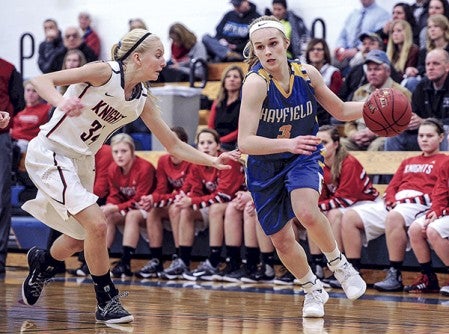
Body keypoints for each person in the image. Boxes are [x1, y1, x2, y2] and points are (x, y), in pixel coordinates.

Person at [20, 28, 239, 324]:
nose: (164, 62)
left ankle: (42, 262)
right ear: (137, 57)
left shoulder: (142, 99)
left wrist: (213, 159)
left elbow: (173, 144)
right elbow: (41, 79)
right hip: (52, 152)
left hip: (81, 161)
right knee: (98, 224)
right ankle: (107, 300)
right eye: (158, 55)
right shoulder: (103, 72)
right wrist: (60, 103)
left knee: (78, 237)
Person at [238, 16, 367, 318]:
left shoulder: (307, 74)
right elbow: (245, 142)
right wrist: (288, 143)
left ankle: (340, 266)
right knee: (282, 240)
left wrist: (378, 104)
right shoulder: (256, 84)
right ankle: (312, 289)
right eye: (260, 47)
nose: (268, 52)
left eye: (273, 44)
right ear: (254, 51)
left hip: (303, 155)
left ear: (285, 43)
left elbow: (341, 110)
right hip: (265, 165)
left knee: (306, 211)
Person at [341, 119, 447, 292]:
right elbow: (393, 186)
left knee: (394, 217)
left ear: (441, 137)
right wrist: (390, 199)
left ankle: (395, 274)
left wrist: (408, 202)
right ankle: (353, 273)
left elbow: (441, 191)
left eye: (429, 135)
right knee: (350, 216)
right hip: (396, 203)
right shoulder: (408, 161)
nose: (424, 139)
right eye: (421, 136)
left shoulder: (444, 160)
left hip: (418, 204)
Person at [161, 128, 245, 280]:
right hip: (213, 203)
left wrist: (192, 201)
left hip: (236, 202)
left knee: (215, 208)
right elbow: (194, 189)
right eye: (201, 143)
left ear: (218, 145)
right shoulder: (197, 163)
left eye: (209, 142)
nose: (205, 146)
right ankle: (182, 260)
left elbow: (223, 196)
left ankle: (213, 261)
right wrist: (185, 199)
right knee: (185, 210)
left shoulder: (227, 162)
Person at [308, 125, 379, 287]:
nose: (320, 147)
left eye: (324, 142)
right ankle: (318, 265)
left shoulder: (349, 162)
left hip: (366, 203)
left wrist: (320, 207)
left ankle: (341, 269)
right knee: (316, 215)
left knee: (332, 214)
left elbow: (346, 198)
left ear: (336, 143)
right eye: (317, 143)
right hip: (344, 203)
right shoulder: (318, 163)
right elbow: (323, 197)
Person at [135, 127, 192, 279]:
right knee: (153, 210)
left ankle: (180, 258)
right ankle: (156, 260)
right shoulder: (163, 160)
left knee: (175, 208)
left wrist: (157, 198)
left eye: (172, 140)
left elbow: (186, 191)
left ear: (183, 143)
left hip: (191, 201)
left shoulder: (191, 160)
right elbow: (161, 189)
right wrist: (151, 199)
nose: (169, 144)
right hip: (176, 201)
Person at [101, 133, 156, 278]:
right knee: (108, 216)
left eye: (124, 151)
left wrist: (115, 208)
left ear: (132, 151)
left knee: (131, 215)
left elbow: (139, 199)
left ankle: (125, 263)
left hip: (149, 208)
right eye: (116, 152)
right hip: (127, 207)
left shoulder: (145, 168)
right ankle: (99, 262)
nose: (119, 156)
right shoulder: (113, 168)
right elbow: (114, 195)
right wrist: (110, 207)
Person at [342, 49, 411, 151]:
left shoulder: (401, 92)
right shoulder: (360, 92)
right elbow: (349, 122)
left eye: (377, 69)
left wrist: (374, 133)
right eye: (369, 69)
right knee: (340, 144)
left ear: (388, 71)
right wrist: (354, 135)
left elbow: (404, 123)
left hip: (384, 136)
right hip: (358, 137)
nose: (372, 73)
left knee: (377, 145)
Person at [385, 48, 449, 151]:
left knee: (446, 132)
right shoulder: (421, 86)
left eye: (436, 64)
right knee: (394, 134)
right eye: (427, 64)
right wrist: (408, 122)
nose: (430, 68)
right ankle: (395, 166)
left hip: (442, 135)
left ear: (447, 67)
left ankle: (444, 165)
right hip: (425, 136)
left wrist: (425, 122)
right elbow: (414, 113)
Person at [407, 155, 449, 293]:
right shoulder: (447, 163)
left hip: (446, 212)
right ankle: (429, 277)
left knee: (433, 230)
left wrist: (442, 211)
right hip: (445, 212)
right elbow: (440, 192)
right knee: (415, 229)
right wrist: (436, 211)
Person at [0, 58, 25, 278]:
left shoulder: (8, 70)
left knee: (1, 199)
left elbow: (18, 103)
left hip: (0, 138)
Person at [334, 0, 389, 74]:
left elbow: (377, 38)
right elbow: (342, 36)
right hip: (345, 55)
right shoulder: (353, 14)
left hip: (363, 54)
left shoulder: (383, 15)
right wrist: (340, 48)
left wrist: (356, 50)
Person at [10, 80, 51, 175]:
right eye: (28, 90)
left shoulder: (47, 109)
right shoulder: (20, 114)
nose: (30, 94)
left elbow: (16, 132)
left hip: (33, 144)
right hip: (16, 144)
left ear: (40, 94)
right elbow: (12, 131)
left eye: (34, 91)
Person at [305, 39, 343, 125]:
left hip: (326, 114)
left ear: (325, 52)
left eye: (319, 49)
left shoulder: (334, 73)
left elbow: (335, 100)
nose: (315, 52)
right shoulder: (301, 71)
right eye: (312, 49)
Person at [207, 65, 244, 151]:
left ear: (241, 81)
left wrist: (219, 141)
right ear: (224, 81)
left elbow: (240, 131)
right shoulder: (217, 102)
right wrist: (212, 139)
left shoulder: (244, 103)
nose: (232, 79)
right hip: (215, 141)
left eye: (236, 77)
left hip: (233, 143)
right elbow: (210, 126)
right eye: (228, 76)